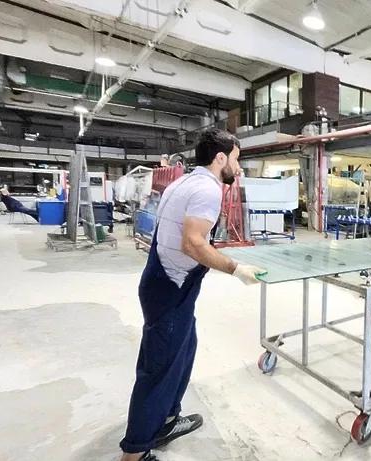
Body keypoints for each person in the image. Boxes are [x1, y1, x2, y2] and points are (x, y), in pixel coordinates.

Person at [120, 129, 266, 461]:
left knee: (184, 349)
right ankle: (134, 452)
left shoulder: (182, 182)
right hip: (170, 288)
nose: (238, 168)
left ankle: (166, 420)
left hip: (166, 282)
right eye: (236, 160)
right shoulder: (207, 189)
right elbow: (193, 243)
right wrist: (235, 269)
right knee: (158, 369)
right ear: (220, 158)